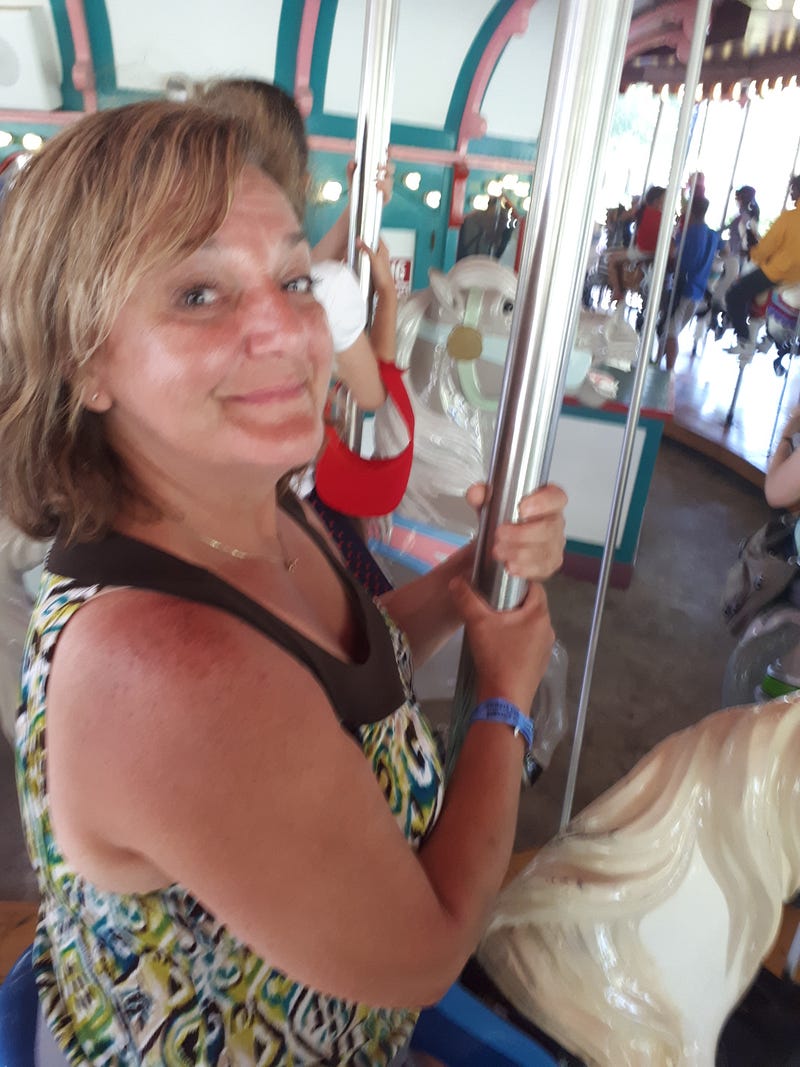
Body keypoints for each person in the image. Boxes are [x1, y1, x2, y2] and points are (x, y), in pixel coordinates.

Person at [0, 100, 567, 1066]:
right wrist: (505, 704)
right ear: (83, 362)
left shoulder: (249, 501)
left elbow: (330, 661)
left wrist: (465, 582)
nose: (288, 329)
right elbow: (424, 951)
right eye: (197, 295)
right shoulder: (167, 671)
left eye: (295, 278)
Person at [725, 174, 800, 362]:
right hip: (796, 278)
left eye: (793, 190)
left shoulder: (789, 218)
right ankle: (766, 338)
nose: (791, 194)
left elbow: (767, 247)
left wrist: (756, 254)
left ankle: (744, 339)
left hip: (778, 273)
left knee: (734, 294)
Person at [661, 196, 719, 371]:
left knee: (671, 331)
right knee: (672, 329)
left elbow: (677, 257)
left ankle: (668, 372)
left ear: (690, 210)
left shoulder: (688, 233)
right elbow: (725, 251)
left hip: (684, 287)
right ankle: (659, 362)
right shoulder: (712, 234)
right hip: (698, 290)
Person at [606, 185, 666, 304]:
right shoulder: (664, 216)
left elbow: (625, 216)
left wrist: (618, 218)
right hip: (655, 251)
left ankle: (617, 291)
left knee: (611, 259)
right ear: (657, 201)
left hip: (643, 250)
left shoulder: (643, 210)